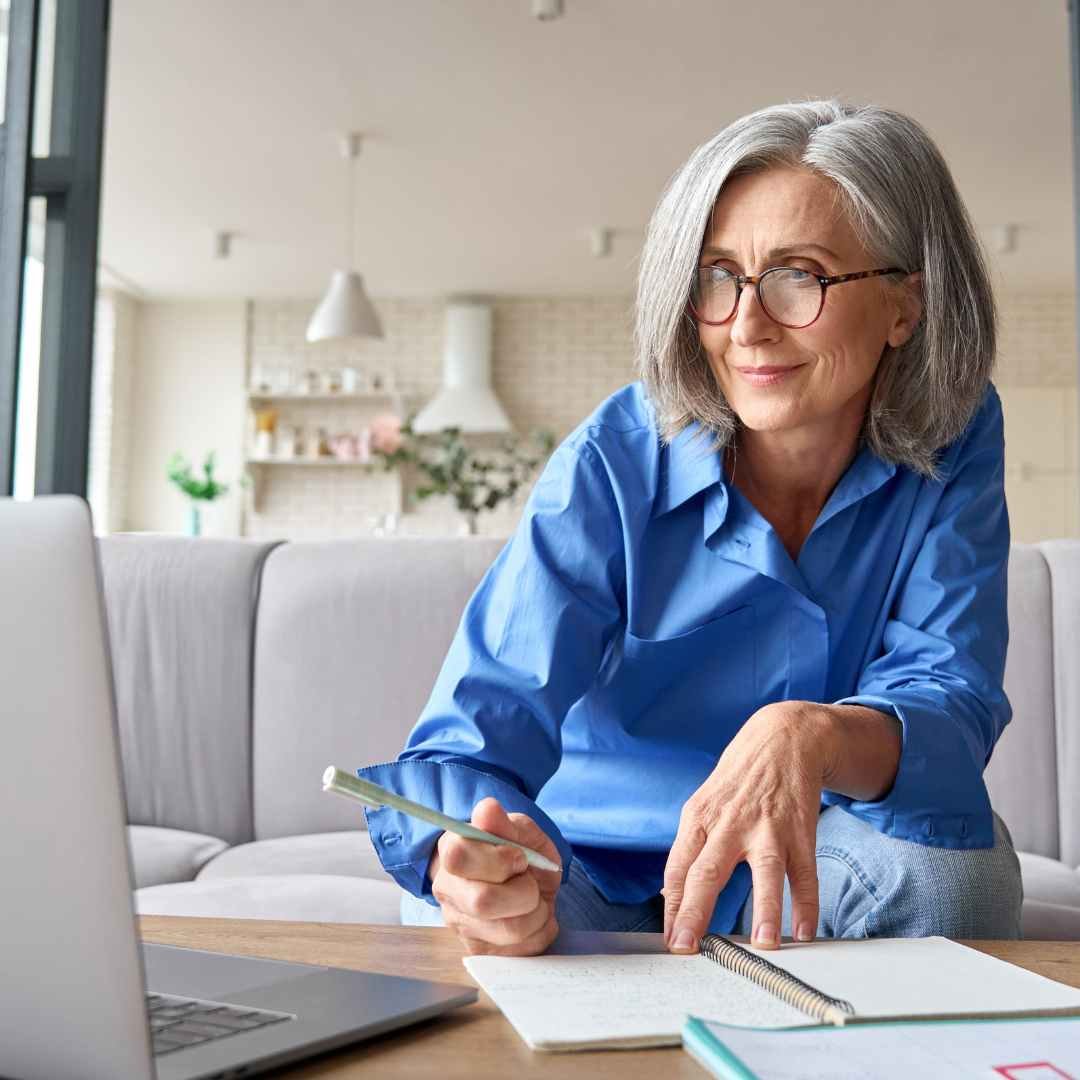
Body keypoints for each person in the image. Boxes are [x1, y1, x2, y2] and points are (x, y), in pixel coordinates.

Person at [358, 99, 1023, 957]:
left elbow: (949, 695)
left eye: (799, 276)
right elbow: (476, 733)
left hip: (813, 855)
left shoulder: (956, 436)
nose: (746, 326)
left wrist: (812, 733)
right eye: (718, 277)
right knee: (456, 917)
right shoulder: (614, 456)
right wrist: (471, 861)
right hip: (589, 868)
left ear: (906, 304)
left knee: (955, 878)